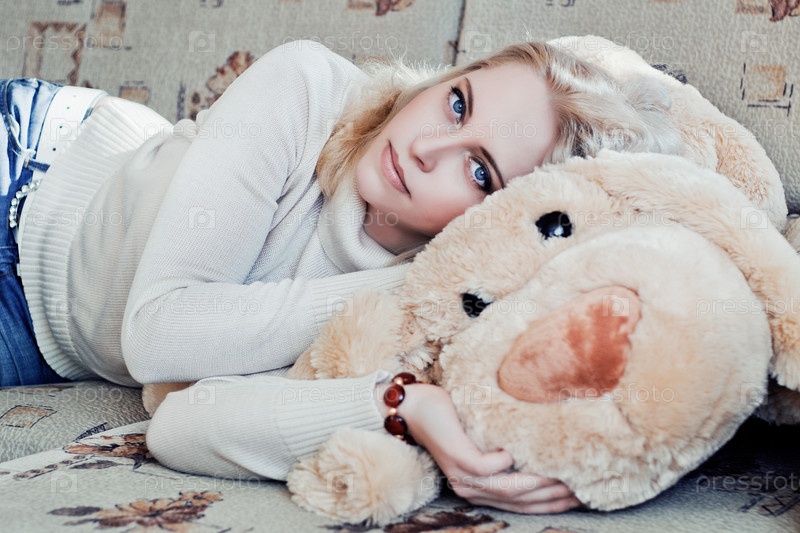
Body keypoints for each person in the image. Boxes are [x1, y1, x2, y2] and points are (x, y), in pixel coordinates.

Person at [0, 38, 682, 514]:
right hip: (30, 177)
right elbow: (156, 335)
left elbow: (179, 426)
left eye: (479, 170)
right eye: (456, 103)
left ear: (501, 219)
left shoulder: (442, 322)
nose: (425, 147)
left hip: (42, 341)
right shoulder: (304, 86)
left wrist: (398, 406)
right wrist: (413, 281)